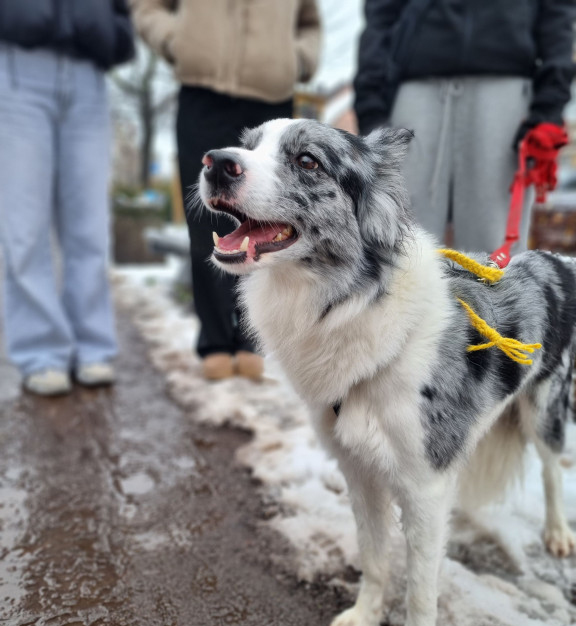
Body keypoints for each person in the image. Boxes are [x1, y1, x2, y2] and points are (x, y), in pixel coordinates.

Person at [130, 0, 321, 381]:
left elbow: (309, 21)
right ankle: (215, 341)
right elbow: (147, 6)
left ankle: (252, 339)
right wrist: (176, 41)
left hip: (270, 94)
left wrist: (297, 59)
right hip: (203, 93)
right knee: (206, 220)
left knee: (268, 219)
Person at [354, 0, 576, 254]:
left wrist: (548, 109)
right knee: (397, 249)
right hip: (414, 86)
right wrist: (371, 104)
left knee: (494, 256)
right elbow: (381, 12)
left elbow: (557, 13)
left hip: (505, 89)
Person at [0, 0, 135, 396]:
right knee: (24, 227)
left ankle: (92, 346)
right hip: (18, 66)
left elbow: (122, 14)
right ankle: (41, 353)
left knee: (90, 227)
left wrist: (112, 34)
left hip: (88, 75)